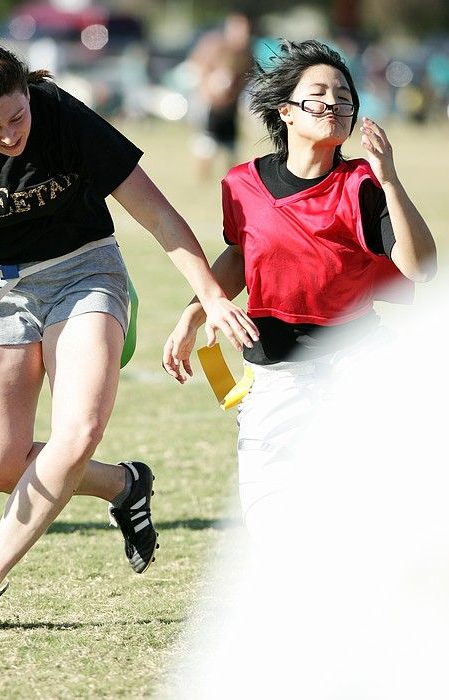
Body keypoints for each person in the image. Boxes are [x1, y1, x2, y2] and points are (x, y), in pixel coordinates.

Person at [0, 44, 258, 629]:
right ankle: (124, 484)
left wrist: (210, 294)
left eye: (17, 117)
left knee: (76, 430)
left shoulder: (61, 114)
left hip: (84, 271)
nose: (10, 136)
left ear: (28, 96)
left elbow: (156, 214)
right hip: (0, 290)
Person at [163, 39, 437, 540]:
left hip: (359, 360)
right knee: (269, 521)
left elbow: (421, 268)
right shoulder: (241, 184)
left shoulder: (362, 185)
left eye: (344, 96)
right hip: (276, 373)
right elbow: (243, 256)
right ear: (285, 111)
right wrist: (195, 312)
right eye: (318, 94)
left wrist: (391, 180)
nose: (333, 103)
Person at [186, 12, 254, 181]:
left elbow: (247, 76)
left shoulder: (246, 52)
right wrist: (208, 88)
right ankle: (203, 179)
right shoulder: (215, 45)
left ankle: (231, 180)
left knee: (231, 145)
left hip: (230, 105)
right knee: (206, 144)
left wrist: (235, 93)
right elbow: (197, 67)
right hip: (209, 103)